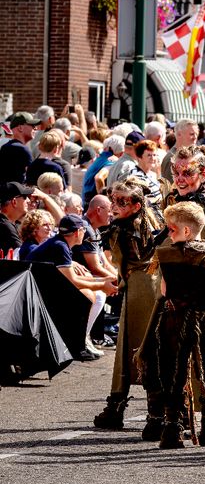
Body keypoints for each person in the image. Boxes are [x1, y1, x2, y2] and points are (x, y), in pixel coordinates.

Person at [146, 201, 205, 449]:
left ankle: (172, 428)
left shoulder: (165, 254)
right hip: (203, 320)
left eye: (171, 229)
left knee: (173, 372)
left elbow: (163, 291)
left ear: (185, 231)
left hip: (174, 320)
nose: (168, 233)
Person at [93, 179, 164, 432]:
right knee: (150, 346)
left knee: (136, 348)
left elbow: (124, 263)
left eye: (122, 201)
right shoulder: (150, 219)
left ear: (135, 205)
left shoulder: (124, 228)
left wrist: (121, 283)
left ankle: (146, 414)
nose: (114, 205)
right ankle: (154, 413)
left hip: (140, 289)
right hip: (151, 285)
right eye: (113, 199)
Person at [29, 213, 117, 361]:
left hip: (40, 288)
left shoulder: (60, 243)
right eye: (83, 230)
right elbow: (73, 281)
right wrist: (102, 284)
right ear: (77, 232)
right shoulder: (60, 246)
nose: (84, 233)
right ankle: (75, 344)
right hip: (37, 293)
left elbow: (72, 278)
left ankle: (79, 341)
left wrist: (103, 281)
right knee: (86, 296)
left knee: (93, 294)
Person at [2, 112, 36, 185]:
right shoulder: (22, 149)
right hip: (19, 193)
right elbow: (33, 178)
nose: (35, 128)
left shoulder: (5, 147)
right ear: (20, 128)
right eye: (32, 125)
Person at [0, 181, 32, 254]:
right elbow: (23, 253)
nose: (29, 201)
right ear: (14, 202)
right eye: (25, 197)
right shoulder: (4, 226)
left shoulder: (13, 223)